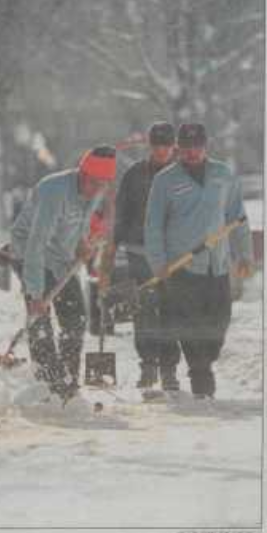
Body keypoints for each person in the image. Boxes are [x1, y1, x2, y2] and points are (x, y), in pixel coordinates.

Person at [144, 122, 253, 399]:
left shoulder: (223, 174)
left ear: (206, 146)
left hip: (217, 265)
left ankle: (204, 363)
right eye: (186, 148)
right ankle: (201, 381)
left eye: (197, 147)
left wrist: (244, 254)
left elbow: (237, 217)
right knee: (190, 327)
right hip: (182, 267)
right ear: (178, 148)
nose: (192, 152)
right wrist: (158, 262)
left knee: (219, 323)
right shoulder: (165, 180)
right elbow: (153, 225)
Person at [9, 145, 117, 401]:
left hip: (61, 257)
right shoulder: (54, 192)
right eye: (92, 182)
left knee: (76, 317)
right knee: (41, 323)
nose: (96, 190)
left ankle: (68, 383)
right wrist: (35, 294)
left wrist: (81, 245)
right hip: (31, 253)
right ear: (81, 173)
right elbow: (37, 242)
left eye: (102, 184)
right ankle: (47, 385)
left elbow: (78, 224)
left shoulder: (96, 191)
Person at [106, 120, 180, 392]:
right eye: (157, 145)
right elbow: (122, 211)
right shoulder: (135, 174)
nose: (162, 150)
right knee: (146, 309)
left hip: (174, 254)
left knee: (171, 310)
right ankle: (148, 366)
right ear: (150, 146)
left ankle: (169, 369)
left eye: (166, 145)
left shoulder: (183, 174)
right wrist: (114, 244)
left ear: (174, 146)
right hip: (139, 251)